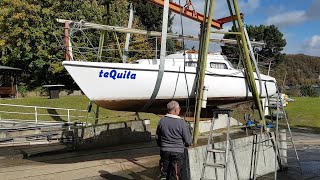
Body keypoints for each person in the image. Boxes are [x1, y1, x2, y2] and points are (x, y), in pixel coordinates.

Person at [156, 101, 192, 180]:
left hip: (164, 151)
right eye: (179, 108)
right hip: (177, 152)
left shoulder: (161, 121)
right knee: (175, 174)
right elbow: (188, 141)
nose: (179, 110)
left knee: (164, 173)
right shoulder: (182, 123)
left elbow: (157, 137)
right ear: (175, 110)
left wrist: (162, 145)